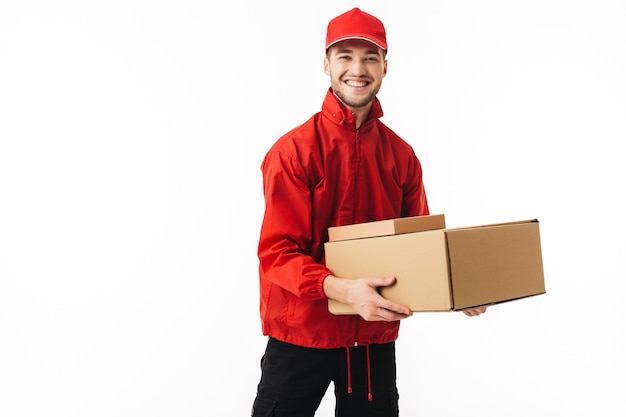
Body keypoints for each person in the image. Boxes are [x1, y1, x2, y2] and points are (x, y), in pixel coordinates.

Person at [251, 8, 486, 417]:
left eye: (370, 57)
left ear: (385, 67)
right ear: (326, 64)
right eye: (345, 55)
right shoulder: (293, 153)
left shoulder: (401, 155)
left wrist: (457, 287)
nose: (357, 68)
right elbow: (277, 256)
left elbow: (420, 246)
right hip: (300, 334)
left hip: (372, 341)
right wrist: (344, 291)